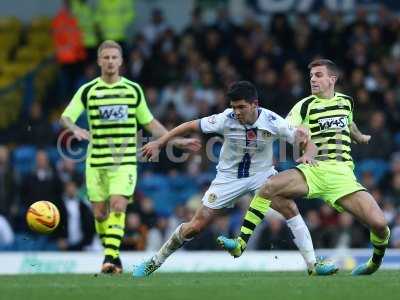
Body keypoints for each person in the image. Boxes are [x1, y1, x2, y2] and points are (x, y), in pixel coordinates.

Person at [132, 81, 338, 277]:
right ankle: (155, 261)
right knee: (195, 226)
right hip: (228, 178)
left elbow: (304, 140)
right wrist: (161, 142)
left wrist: (307, 149)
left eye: (241, 107)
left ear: (254, 105)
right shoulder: (226, 118)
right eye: (233, 107)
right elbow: (189, 125)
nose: (236, 112)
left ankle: (312, 265)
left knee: (290, 209)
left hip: (261, 175)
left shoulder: (273, 122)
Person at [219, 59, 390, 276]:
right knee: (269, 186)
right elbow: (288, 127)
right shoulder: (304, 105)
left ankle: (374, 263)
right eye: (311, 76)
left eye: (318, 75)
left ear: (332, 79)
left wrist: (359, 136)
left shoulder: (346, 102)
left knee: (380, 224)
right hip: (313, 169)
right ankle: (241, 242)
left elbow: (348, 122)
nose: (313, 80)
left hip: (342, 176)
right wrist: (299, 135)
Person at [60, 40, 199, 274]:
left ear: (121, 61)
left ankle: (109, 258)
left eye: (114, 57)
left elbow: (150, 122)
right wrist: (74, 128)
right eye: (106, 57)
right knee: (100, 213)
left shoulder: (132, 90)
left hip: (123, 161)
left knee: (117, 205)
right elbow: (66, 116)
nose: (110, 61)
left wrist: (175, 140)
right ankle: (114, 257)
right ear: (99, 61)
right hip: (96, 163)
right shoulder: (88, 90)